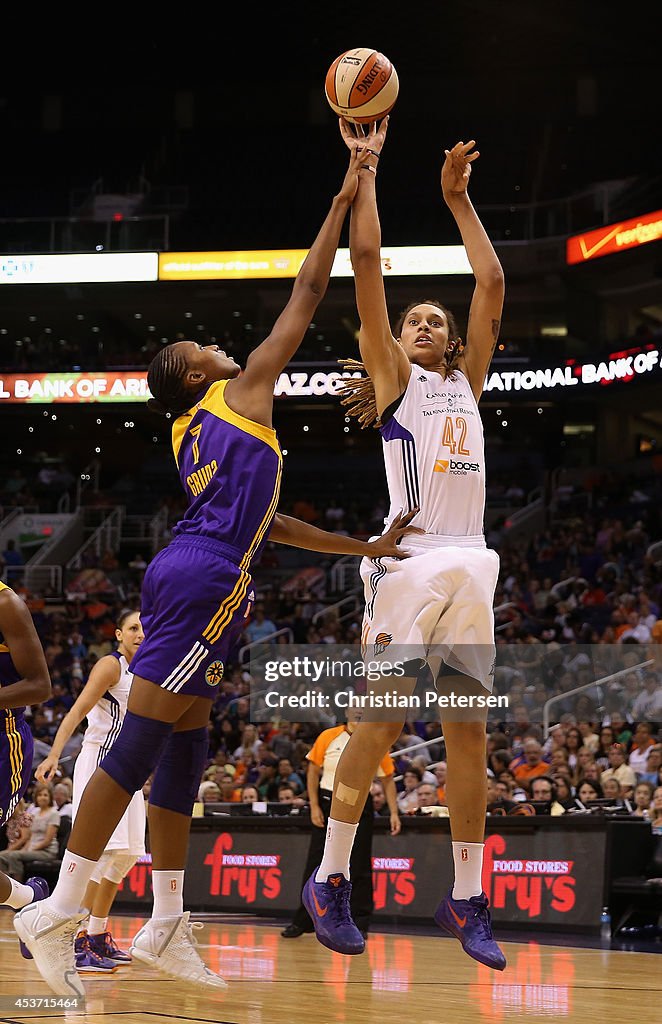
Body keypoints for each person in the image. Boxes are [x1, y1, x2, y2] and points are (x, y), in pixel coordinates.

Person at [15, 142, 419, 999]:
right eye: (201, 343)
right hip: (208, 577)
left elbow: (281, 523)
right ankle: (53, 906)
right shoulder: (238, 394)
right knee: (142, 745)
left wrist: (367, 549)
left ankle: (164, 921)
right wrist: (347, 194)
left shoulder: (199, 432)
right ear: (194, 372)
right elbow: (309, 295)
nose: (220, 344)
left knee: (187, 747)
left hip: (205, 570)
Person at [303, 118, 507, 971]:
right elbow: (368, 267)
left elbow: (491, 278)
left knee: (470, 738)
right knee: (377, 728)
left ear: (456, 342)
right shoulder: (397, 382)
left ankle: (463, 897)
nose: (421, 323)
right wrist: (368, 169)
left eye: (435, 319)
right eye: (412, 319)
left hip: (473, 560)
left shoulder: (469, 379)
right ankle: (330, 878)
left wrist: (459, 201)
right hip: (408, 562)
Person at [36, 610, 146, 973]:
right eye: (133, 628)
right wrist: (54, 754)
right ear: (118, 634)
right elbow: (77, 710)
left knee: (125, 856)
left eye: (146, 629)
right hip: (101, 764)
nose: (140, 634)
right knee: (100, 854)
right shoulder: (110, 667)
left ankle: (97, 934)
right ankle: (75, 938)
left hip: (130, 770)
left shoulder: (152, 669)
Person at [281, 718, 400, 940]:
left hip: (360, 801)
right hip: (327, 800)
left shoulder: (375, 736)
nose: (358, 711)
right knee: (316, 861)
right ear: (346, 711)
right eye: (354, 707)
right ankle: (303, 920)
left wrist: (394, 812)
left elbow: (387, 777)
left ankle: (360, 921)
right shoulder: (329, 736)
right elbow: (313, 772)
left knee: (360, 863)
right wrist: (314, 805)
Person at [0, 580, 52, 937]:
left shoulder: (6, 604)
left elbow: (40, 685)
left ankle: (28, 897)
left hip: (3, 740)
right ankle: (30, 898)